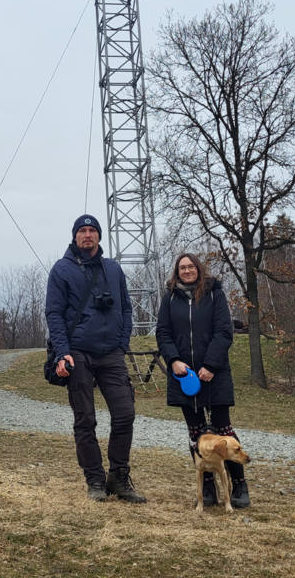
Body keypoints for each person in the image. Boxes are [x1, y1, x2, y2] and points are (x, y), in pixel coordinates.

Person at [45, 215, 145, 503]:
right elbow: (54, 313)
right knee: (85, 419)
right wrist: (63, 352)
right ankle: (95, 481)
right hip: (77, 351)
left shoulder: (112, 268)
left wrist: (122, 344)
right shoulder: (62, 269)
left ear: (99, 236)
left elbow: (126, 308)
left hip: (112, 352)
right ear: (75, 237)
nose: (87, 235)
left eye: (92, 231)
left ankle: (119, 478)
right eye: (82, 231)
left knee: (125, 413)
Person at [155, 253, 250, 508]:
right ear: (177, 272)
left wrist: (210, 364)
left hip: (215, 374)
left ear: (199, 269)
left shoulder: (214, 294)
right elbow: (163, 334)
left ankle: (238, 482)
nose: (187, 271)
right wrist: (174, 360)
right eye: (182, 268)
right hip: (184, 377)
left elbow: (224, 332)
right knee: (196, 434)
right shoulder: (170, 298)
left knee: (223, 430)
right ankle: (207, 486)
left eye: (191, 267)